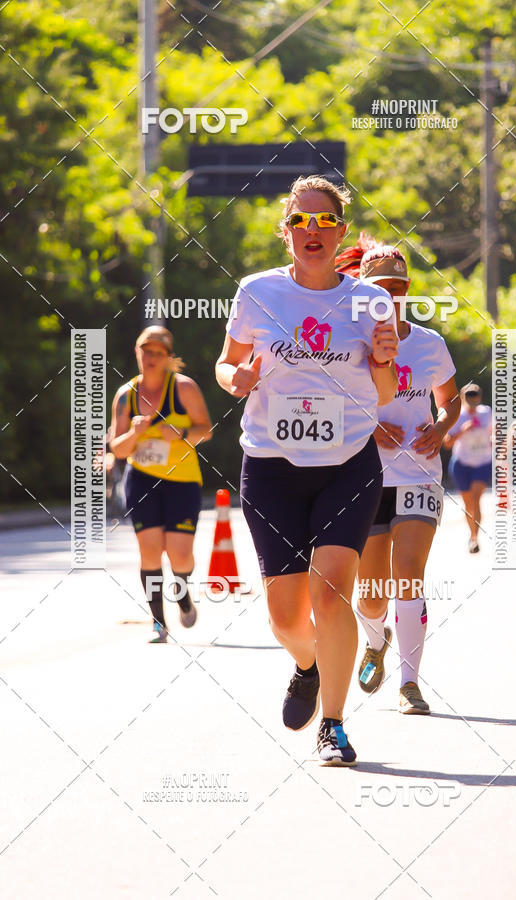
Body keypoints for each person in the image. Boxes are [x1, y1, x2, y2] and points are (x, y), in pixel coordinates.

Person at [216, 175, 398, 766]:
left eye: (324, 221)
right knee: (286, 617)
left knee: (330, 593)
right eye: (301, 221)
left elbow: (386, 389)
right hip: (271, 465)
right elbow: (226, 363)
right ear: (286, 232)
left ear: (340, 231)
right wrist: (234, 379)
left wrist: (383, 360)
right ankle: (307, 664)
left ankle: (336, 724)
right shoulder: (256, 292)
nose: (312, 231)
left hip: (347, 463)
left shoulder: (368, 300)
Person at [338, 238, 460, 714]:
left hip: (418, 474)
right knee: (370, 593)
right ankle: (375, 638)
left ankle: (410, 683)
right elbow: (328, 403)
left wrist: (442, 427)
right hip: (364, 475)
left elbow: (450, 399)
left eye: (398, 286)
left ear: (408, 290)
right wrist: (369, 428)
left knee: (408, 574)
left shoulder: (430, 344)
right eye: (379, 287)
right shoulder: (345, 344)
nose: (389, 295)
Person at [109, 326, 212, 641]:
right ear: (137, 352)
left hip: (182, 482)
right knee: (150, 554)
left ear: (169, 358)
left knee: (180, 556)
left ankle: (182, 596)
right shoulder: (126, 396)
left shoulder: (184, 389)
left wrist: (180, 433)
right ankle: (158, 622)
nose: (151, 358)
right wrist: (135, 434)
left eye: (159, 353)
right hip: (142, 480)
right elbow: (118, 448)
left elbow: (206, 430)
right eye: (146, 351)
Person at [443, 384, 493, 553]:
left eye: (475, 404)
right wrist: (462, 431)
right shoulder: (458, 416)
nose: (473, 409)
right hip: (462, 463)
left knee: (476, 499)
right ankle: (471, 533)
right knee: (468, 503)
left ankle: (475, 539)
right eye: (469, 405)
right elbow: (447, 444)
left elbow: (495, 432)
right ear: (463, 400)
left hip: (483, 462)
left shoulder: (487, 412)